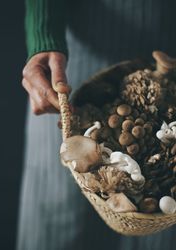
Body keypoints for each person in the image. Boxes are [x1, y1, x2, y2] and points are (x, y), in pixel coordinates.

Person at [16, 0, 176, 249]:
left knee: (162, 227)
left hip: (169, 55)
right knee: (60, 222)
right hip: (74, 69)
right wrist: (44, 37)